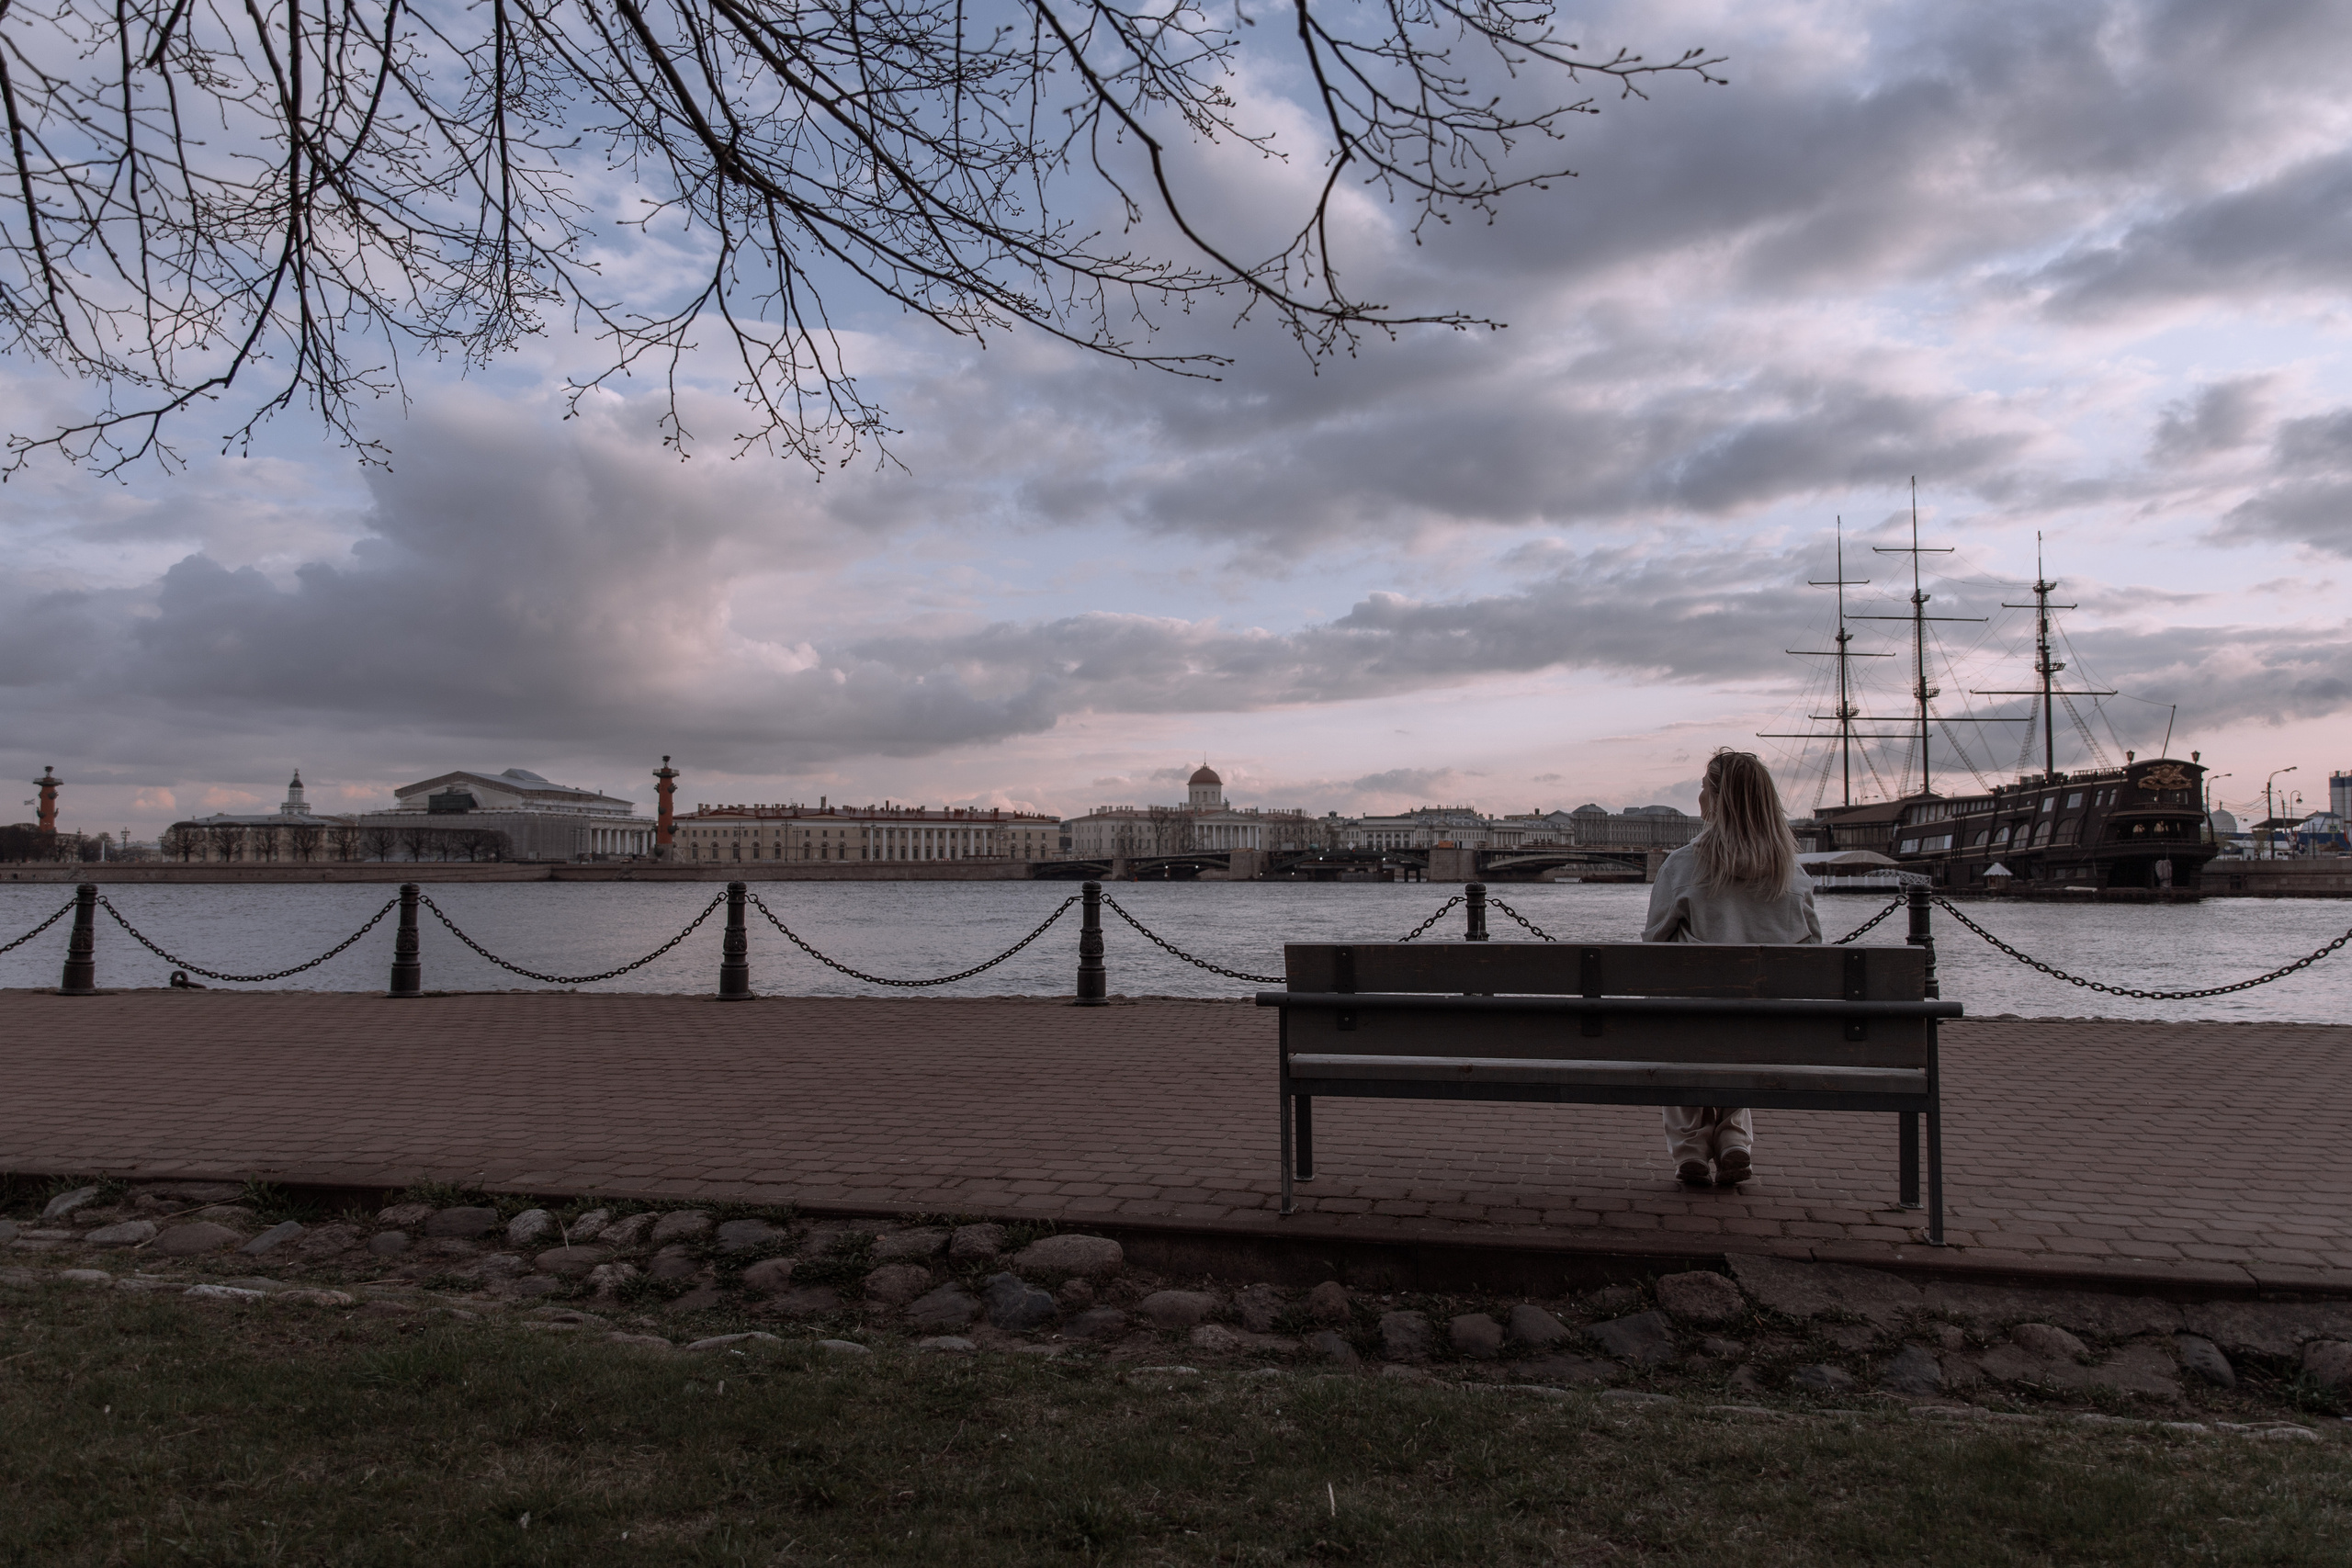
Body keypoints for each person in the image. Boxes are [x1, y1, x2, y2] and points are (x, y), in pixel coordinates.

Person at [1643, 750, 1822, 1189]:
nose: (1699, 798)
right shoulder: (1793, 876)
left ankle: (1690, 1146)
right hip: (1771, 1028)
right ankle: (1732, 1138)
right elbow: (1814, 953)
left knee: (1684, 1012)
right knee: (1745, 1020)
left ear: (1717, 800)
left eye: (1704, 789)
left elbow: (1652, 947)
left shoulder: (1682, 865)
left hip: (1692, 1021)